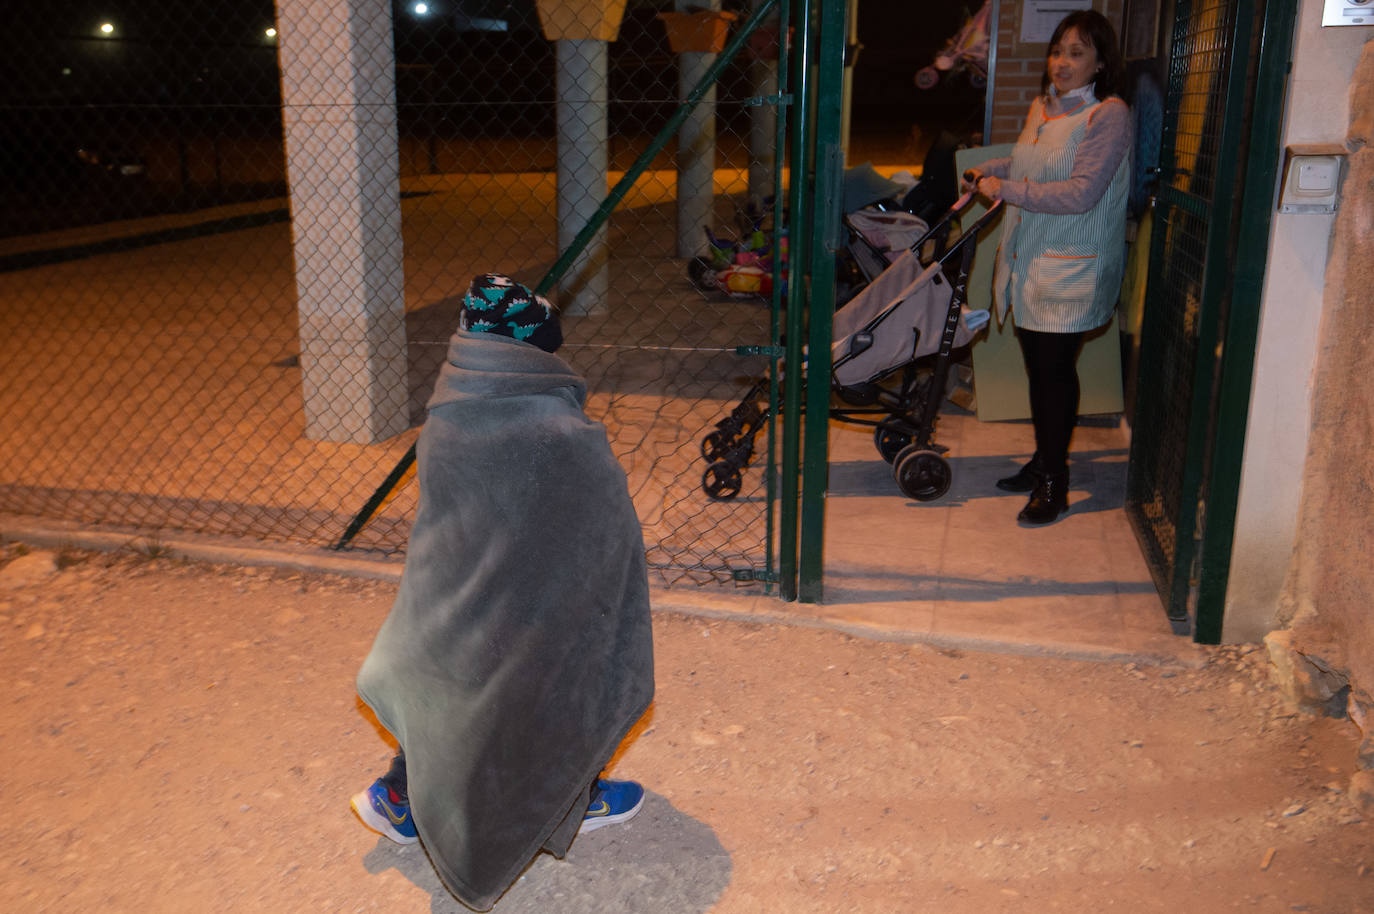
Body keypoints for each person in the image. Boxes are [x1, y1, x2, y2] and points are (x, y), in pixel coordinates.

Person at [350, 274, 655, 911]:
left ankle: (402, 798)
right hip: (506, 636)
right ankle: (569, 799)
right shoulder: (555, 435)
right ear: (530, 355)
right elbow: (606, 533)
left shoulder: (450, 408)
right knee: (569, 658)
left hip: (436, 616)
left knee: (444, 685)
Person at [962, 10, 1131, 526]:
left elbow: (1081, 193)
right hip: (1029, 259)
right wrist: (989, 172)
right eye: (1058, 51)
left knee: (1054, 374)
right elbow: (1027, 165)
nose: (1062, 62)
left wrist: (1005, 190)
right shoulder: (1044, 106)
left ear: (1100, 62)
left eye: (1077, 53)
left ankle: (1055, 481)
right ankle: (1043, 460)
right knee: (1039, 369)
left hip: (1072, 268)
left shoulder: (1109, 116)